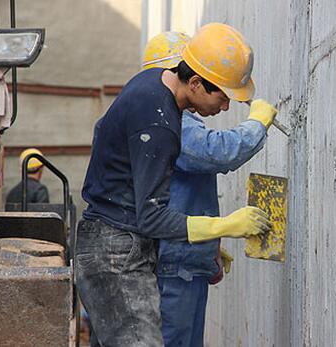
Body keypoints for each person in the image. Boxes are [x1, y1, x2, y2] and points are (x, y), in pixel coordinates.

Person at [75, 23, 277, 347]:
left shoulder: (150, 87)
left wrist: (208, 238)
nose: (225, 107)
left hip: (112, 244)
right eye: (222, 97)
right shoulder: (161, 122)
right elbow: (152, 217)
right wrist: (222, 226)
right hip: (116, 252)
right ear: (195, 82)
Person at [142, 32, 277, 346]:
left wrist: (207, 244)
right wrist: (256, 124)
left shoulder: (172, 113)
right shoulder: (171, 117)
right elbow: (213, 152)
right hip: (174, 265)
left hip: (184, 258)